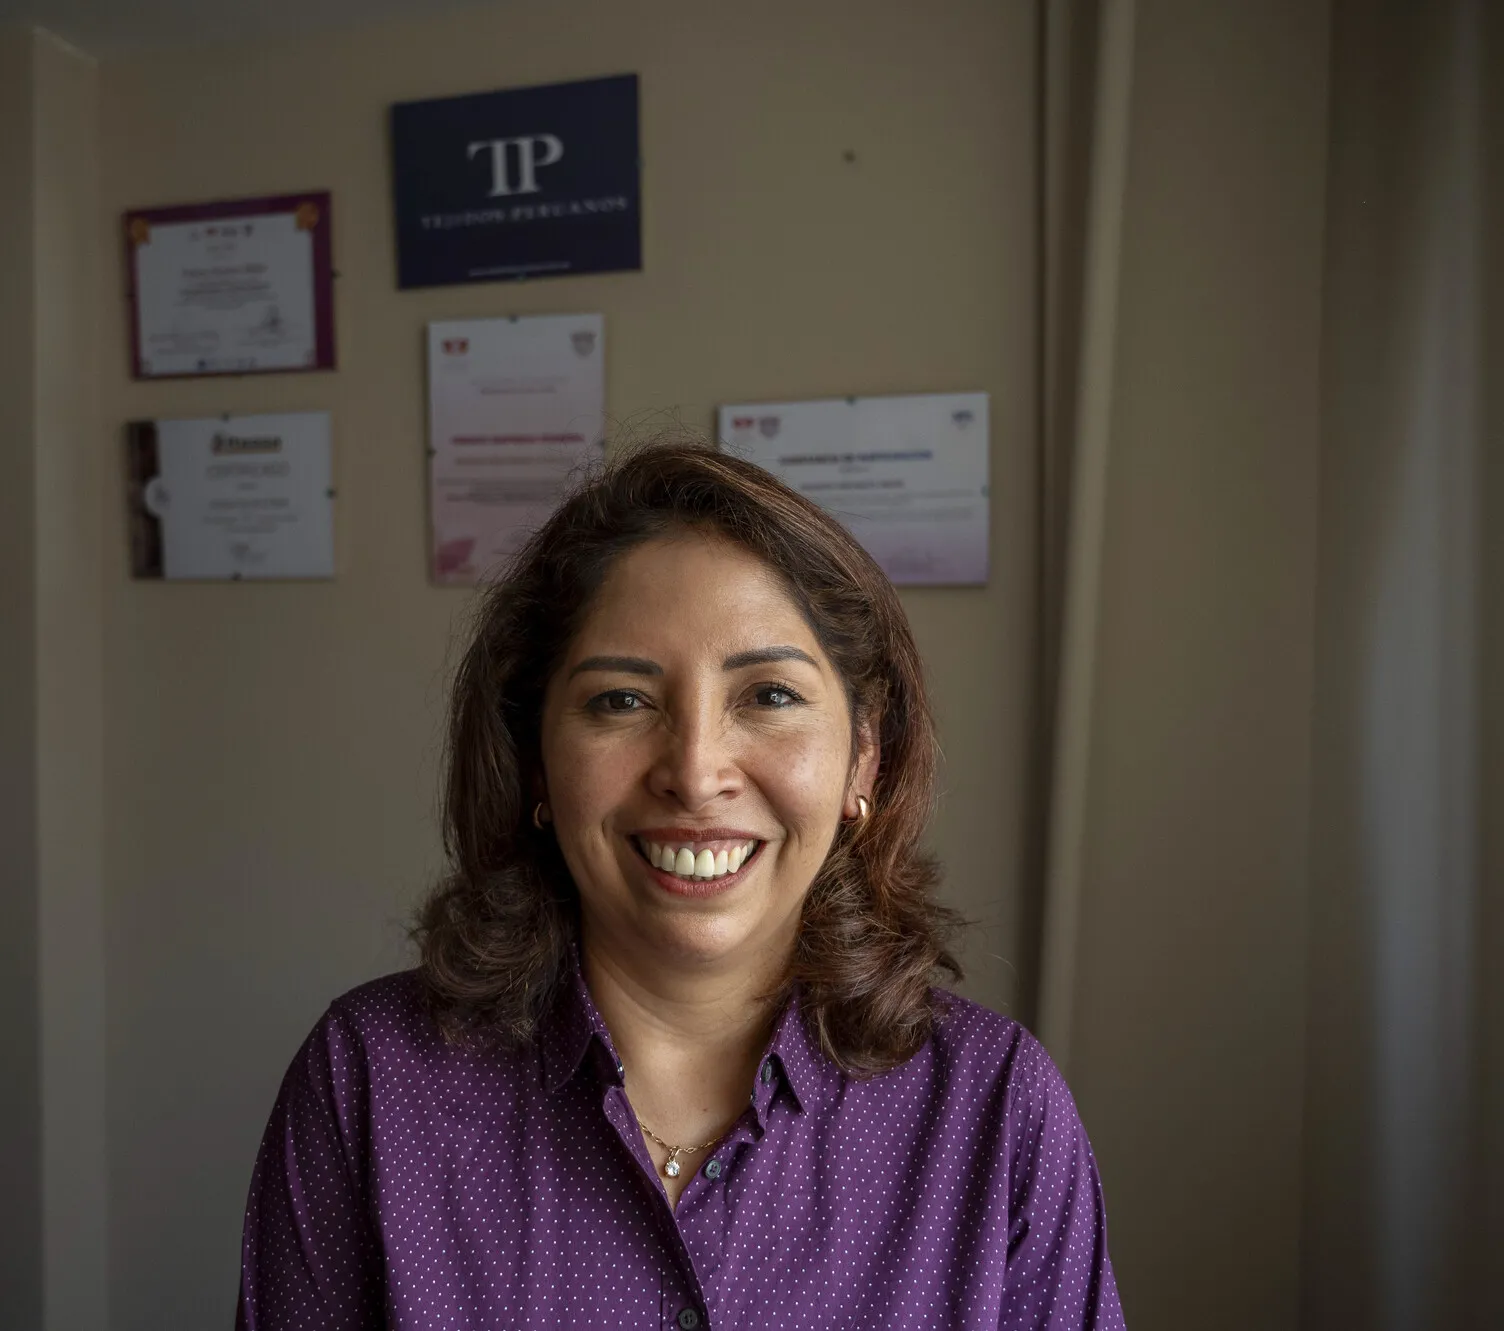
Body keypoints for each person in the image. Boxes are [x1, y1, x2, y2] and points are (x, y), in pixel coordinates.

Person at [237, 441, 1123, 1329]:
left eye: (769, 695)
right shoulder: (370, 1081)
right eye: (621, 700)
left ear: (864, 752)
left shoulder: (996, 1110)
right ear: (535, 762)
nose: (696, 774)